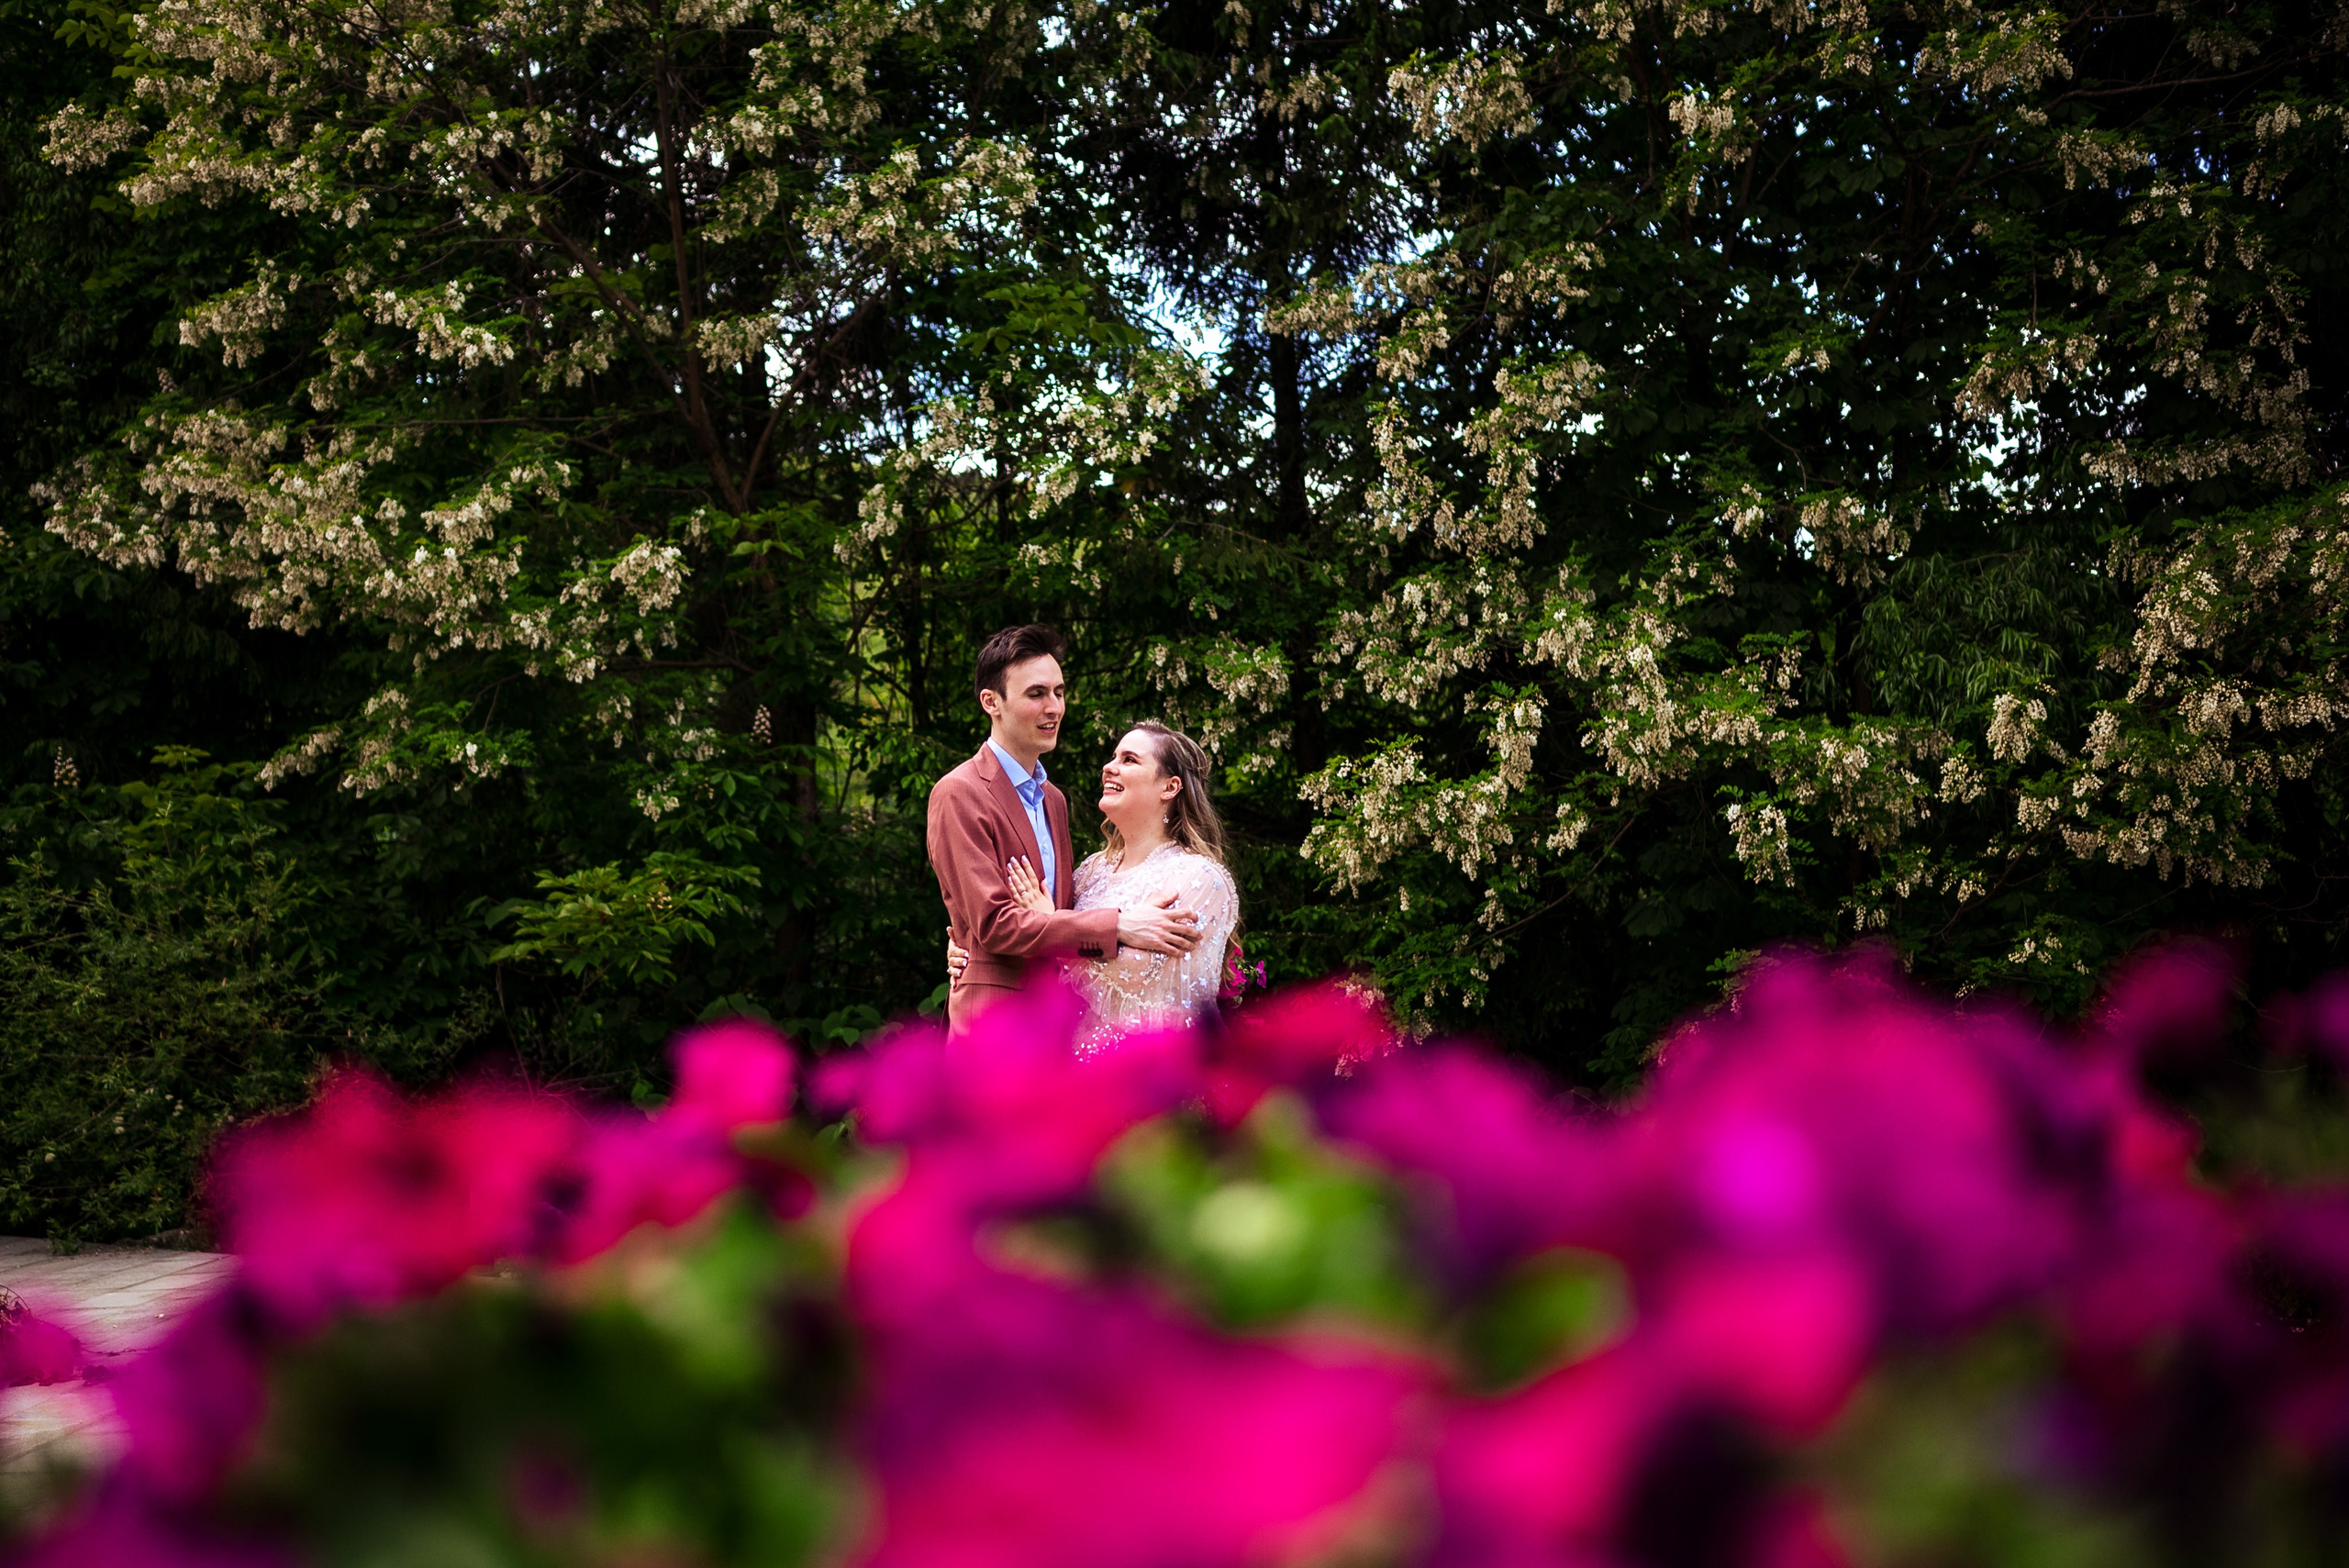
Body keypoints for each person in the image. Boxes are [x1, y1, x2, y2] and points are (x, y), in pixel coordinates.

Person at [927, 625, 1201, 1036]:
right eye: (1036, 694)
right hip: (994, 1026)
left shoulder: (1053, 799)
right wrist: (1121, 926)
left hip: (1058, 1025)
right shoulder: (959, 792)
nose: (1054, 707)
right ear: (991, 702)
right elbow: (996, 926)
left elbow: (1056, 914)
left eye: (1059, 692)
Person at [950, 719, 1239, 1055]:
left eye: (1129, 760)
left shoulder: (1198, 877)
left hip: (1157, 1064)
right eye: (1113, 757)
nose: (1109, 767)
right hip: (1080, 1068)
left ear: (1170, 787)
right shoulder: (1090, 872)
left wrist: (1053, 925)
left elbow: (1140, 973)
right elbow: (1029, 930)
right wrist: (966, 948)